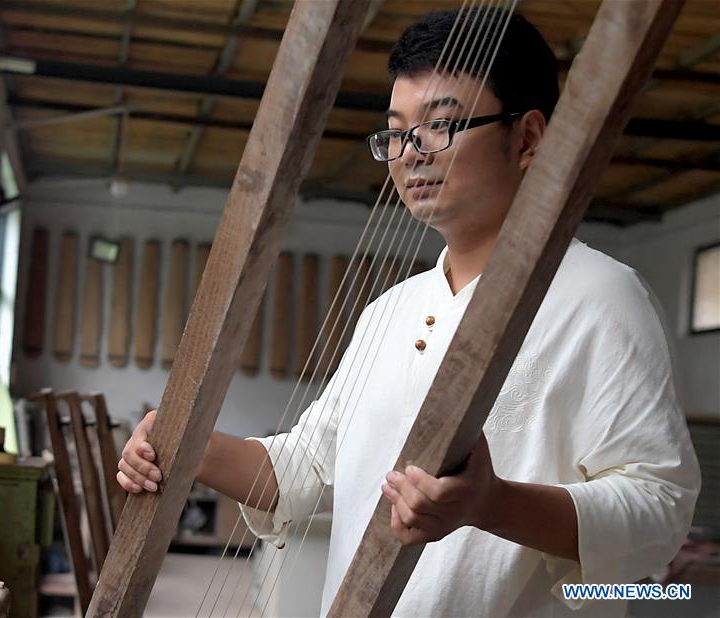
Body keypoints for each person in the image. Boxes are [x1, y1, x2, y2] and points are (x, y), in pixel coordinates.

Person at [117, 7, 701, 617]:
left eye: (441, 125)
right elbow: (305, 466)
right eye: (396, 133)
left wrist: (490, 504)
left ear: (528, 138)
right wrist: (185, 445)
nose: (410, 154)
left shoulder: (603, 296)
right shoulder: (389, 310)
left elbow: (659, 511)